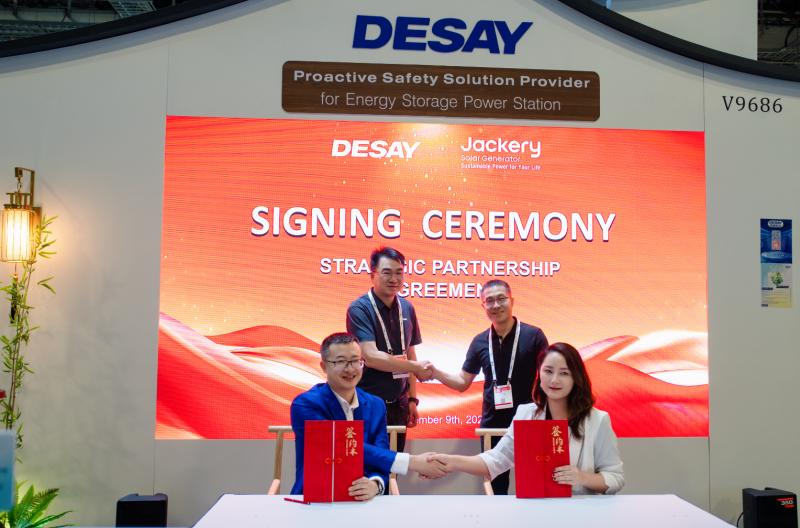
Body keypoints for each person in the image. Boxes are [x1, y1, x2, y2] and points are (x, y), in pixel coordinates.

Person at [430, 342, 624, 495]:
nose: (554, 380)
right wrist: (450, 462)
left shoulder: (597, 420)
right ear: (539, 374)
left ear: (576, 378)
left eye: (564, 373)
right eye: (548, 371)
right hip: (534, 511)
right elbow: (496, 460)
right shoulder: (526, 414)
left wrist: (582, 478)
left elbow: (615, 477)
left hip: (581, 513)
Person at [290, 332, 445, 500]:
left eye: (355, 360)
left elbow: (380, 452)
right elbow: (339, 446)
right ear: (324, 366)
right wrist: (411, 462)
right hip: (316, 499)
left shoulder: (375, 405)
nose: (350, 369)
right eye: (340, 361)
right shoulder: (306, 404)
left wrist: (376, 483)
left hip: (363, 501)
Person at [431, 279, 547, 494]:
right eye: (490, 301)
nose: (496, 305)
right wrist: (435, 372)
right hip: (492, 424)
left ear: (512, 301)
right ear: (483, 306)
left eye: (501, 299)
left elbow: (547, 378)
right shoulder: (480, 342)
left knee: (534, 485)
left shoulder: (534, 336)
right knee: (496, 488)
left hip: (529, 422)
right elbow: (462, 382)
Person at [346, 247, 432, 453]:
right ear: (373, 275)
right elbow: (371, 356)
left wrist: (412, 399)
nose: (394, 279)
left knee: (395, 463)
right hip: (368, 403)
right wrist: (415, 367)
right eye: (387, 272)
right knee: (367, 463)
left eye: (399, 273)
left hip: (399, 405)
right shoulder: (359, 309)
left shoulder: (407, 308)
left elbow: (410, 352)